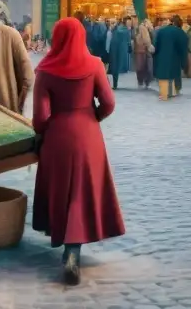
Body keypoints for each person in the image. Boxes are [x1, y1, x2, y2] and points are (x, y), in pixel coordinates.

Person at [32, 18, 126, 285]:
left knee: (63, 190)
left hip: (58, 137)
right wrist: (91, 116)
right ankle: (73, 250)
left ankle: (67, 245)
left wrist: (44, 131)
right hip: (88, 135)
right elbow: (108, 102)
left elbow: (40, 116)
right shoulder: (94, 64)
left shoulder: (46, 69)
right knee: (82, 191)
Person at [152, 14, 188, 100]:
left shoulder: (161, 31)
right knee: (173, 75)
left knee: (163, 76)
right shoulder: (181, 33)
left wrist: (155, 56)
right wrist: (184, 63)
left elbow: (156, 45)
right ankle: (173, 92)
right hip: (174, 59)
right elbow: (183, 49)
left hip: (161, 58)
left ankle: (164, 94)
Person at [106, 17, 131, 89]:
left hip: (114, 51)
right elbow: (128, 40)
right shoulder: (124, 30)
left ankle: (114, 84)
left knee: (113, 68)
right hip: (117, 51)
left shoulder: (116, 30)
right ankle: (113, 84)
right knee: (113, 68)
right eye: (129, 22)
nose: (130, 24)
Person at [132, 18, 154, 88]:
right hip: (144, 50)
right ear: (146, 23)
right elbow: (146, 39)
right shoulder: (143, 28)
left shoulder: (139, 28)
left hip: (139, 50)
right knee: (146, 66)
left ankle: (141, 81)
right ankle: (145, 81)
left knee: (141, 66)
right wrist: (150, 47)